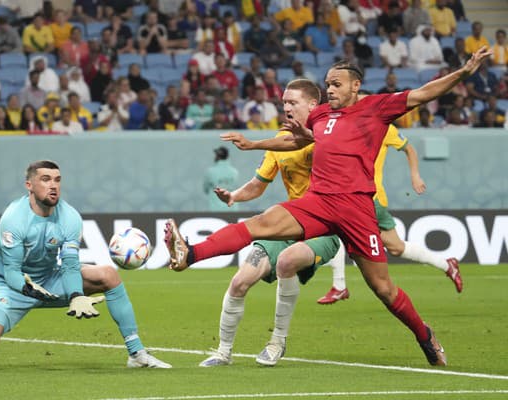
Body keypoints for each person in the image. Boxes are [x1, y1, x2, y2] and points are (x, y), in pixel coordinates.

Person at [165, 47, 493, 367]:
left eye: (336, 84)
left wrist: (463, 72)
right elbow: (300, 139)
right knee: (261, 223)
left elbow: (424, 93)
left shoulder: (378, 107)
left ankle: (424, 335)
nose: (330, 90)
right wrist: (255, 144)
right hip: (318, 201)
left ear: (355, 85)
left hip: (356, 209)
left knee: (383, 288)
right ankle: (189, 254)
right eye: (327, 84)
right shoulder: (322, 115)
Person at [0, 160, 171, 371]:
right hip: (12, 287)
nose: (53, 185)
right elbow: (12, 271)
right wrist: (29, 290)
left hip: (51, 279)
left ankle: (136, 354)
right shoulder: (13, 219)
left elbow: (70, 264)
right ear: (29, 185)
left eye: (57, 180)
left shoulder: (69, 216)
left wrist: (75, 295)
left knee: (108, 275)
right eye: (46, 179)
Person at [198, 79, 343, 366]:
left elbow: (310, 142)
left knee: (287, 261)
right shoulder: (279, 141)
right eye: (284, 103)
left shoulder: (331, 130)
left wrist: (254, 143)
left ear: (314, 105)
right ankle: (223, 352)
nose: (286, 107)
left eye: (293, 102)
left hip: (325, 227)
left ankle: (277, 342)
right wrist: (234, 196)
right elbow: (258, 184)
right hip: (289, 224)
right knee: (241, 281)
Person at [316, 122, 463, 305]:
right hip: (356, 196)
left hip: (370, 197)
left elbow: (409, 148)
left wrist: (415, 175)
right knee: (396, 247)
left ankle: (339, 286)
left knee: (335, 228)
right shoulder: (343, 125)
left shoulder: (383, 127)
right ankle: (446, 264)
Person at [203, 147, 239, 211]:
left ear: (217, 157)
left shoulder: (210, 172)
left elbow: (205, 189)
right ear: (227, 157)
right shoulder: (235, 172)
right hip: (232, 208)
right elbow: (238, 188)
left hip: (215, 209)